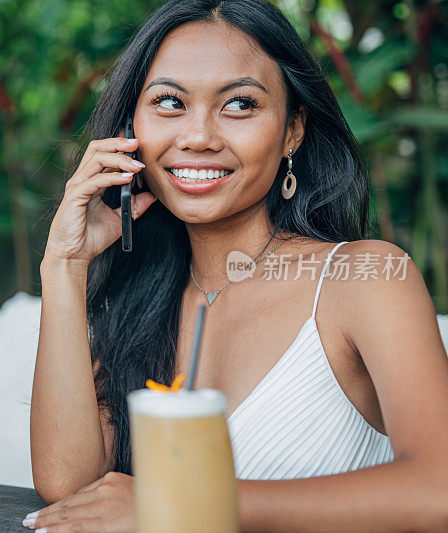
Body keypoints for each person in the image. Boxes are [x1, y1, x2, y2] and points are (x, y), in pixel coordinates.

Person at [25, 0, 448, 531]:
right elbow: (72, 491)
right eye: (170, 102)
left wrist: (186, 503)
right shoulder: (140, 300)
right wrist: (63, 265)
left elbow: (439, 492)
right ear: (132, 125)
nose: (199, 136)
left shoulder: (366, 280)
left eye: (241, 104)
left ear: (292, 129)